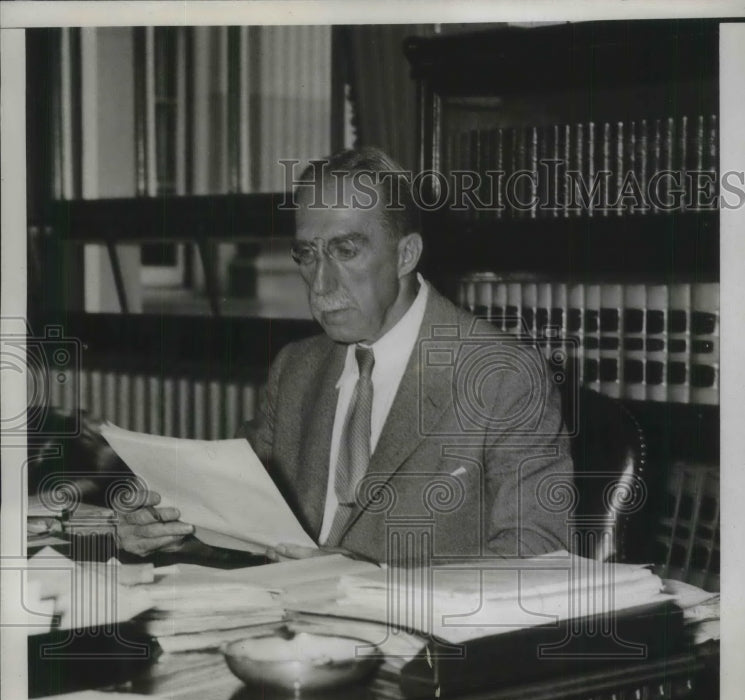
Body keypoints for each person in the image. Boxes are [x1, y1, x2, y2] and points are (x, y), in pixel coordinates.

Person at [117, 147, 573, 564]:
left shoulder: (502, 375)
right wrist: (177, 527)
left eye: (345, 251)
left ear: (406, 255)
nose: (320, 285)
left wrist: (370, 576)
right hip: (295, 632)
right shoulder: (298, 368)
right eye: (307, 255)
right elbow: (241, 516)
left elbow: (539, 553)